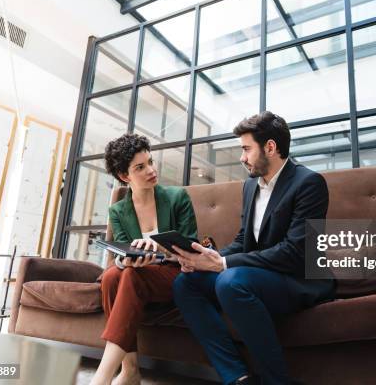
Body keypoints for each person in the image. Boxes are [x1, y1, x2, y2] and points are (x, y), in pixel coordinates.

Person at [172, 112, 335, 385]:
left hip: (298, 278)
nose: (242, 157)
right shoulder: (250, 186)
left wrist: (222, 265)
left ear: (270, 147)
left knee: (230, 281)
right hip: (257, 275)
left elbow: (295, 252)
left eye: (246, 149)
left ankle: (277, 380)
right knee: (185, 283)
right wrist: (209, 257)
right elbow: (244, 239)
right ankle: (238, 377)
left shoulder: (309, 183)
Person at [90, 133, 198, 385]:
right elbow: (121, 250)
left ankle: (103, 378)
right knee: (112, 276)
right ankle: (130, 371)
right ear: (124, 176)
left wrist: (160, 248)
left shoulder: (177, 197)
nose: (151, 170)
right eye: (140, 167)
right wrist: (124, 261)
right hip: (138, 274)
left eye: (150, 162)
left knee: (126, 275)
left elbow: (191, 248)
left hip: (176, 273)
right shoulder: (117, 210)